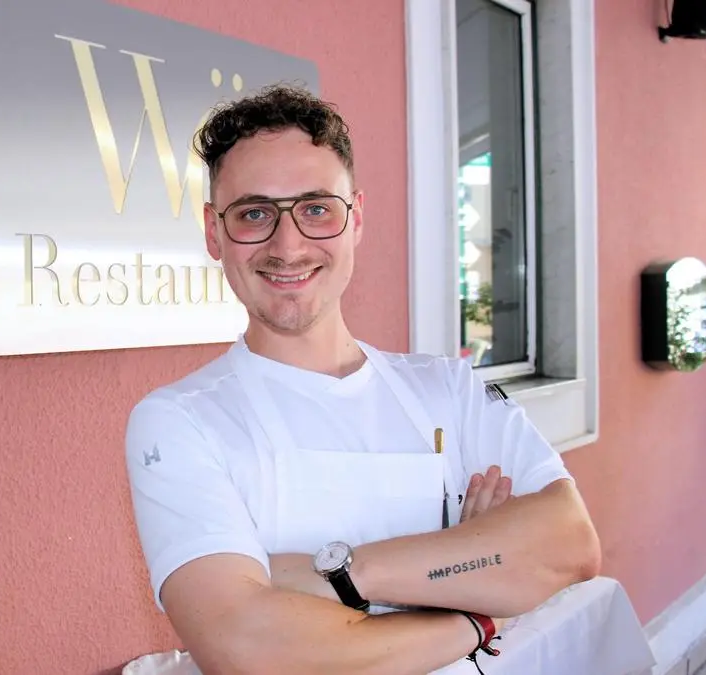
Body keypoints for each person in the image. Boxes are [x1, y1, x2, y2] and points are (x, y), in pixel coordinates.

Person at [123, 84, 602, 675]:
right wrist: (473, 609)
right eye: (254, 214)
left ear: (355, 220)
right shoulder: (178, 421)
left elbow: (571, 545)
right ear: (213, 233)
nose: (288, 245)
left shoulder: (451, 389)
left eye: (316, 209)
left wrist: (340, 573)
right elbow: (248, 650)